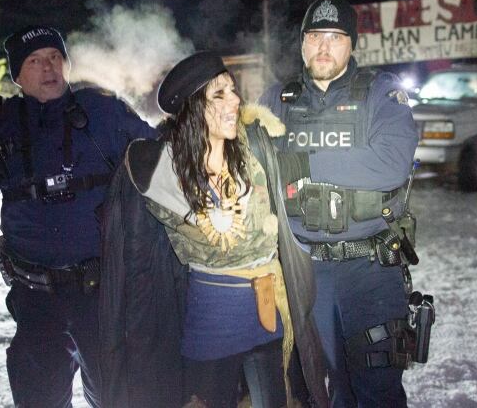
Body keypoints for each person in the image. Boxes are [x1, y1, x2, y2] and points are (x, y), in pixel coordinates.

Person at [0, 25, 156, 407]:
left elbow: (162, 166)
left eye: (55, 58)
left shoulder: (103, 112)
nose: (49, 67)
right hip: (36, 301)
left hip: (104, 297)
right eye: (35, 60)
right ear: (17, 76)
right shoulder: (1, 129)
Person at [97, 52, 329, 408]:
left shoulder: (253, 148)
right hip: (213, 320)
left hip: (269, 313)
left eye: (233, 90)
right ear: (192, 110)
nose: (236, 100)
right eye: (219, 94)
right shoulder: (160, 172)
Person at [259, 0, 419, 407]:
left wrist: (302, 162)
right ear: (301, 44)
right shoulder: (278, 101)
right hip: (302, 272)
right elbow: (248, 165)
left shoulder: (380, 94)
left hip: (369, 271)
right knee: (314, 390)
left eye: (335, 37)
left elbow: (390, 164)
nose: (323, 47)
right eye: (314, 37)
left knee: (376, 390)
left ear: (352, 44)